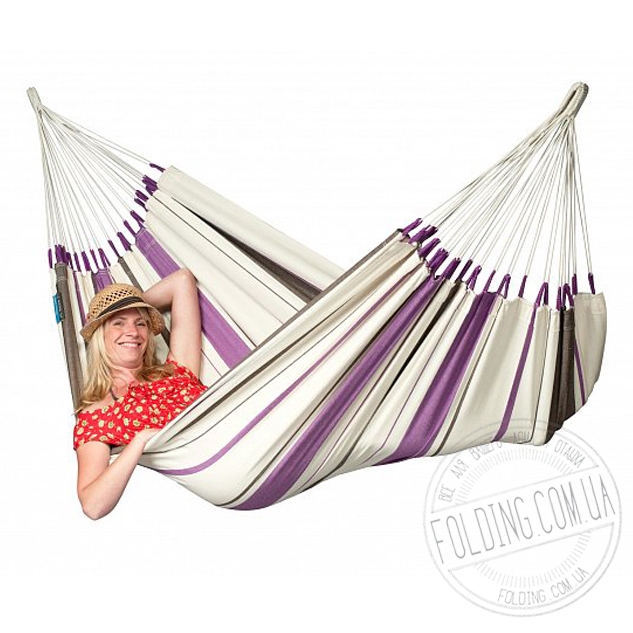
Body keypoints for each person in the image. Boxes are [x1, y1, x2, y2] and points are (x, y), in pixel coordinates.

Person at [73, 269, 206, 520]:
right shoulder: (96, 415)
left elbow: (182, 280)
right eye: (118, 323)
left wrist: (129, 303)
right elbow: (93, 506)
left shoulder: (178, 368)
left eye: (141, 323)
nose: (133, 332)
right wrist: (140, 441)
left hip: (239, 433)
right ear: (100, 334)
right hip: (213, 469)